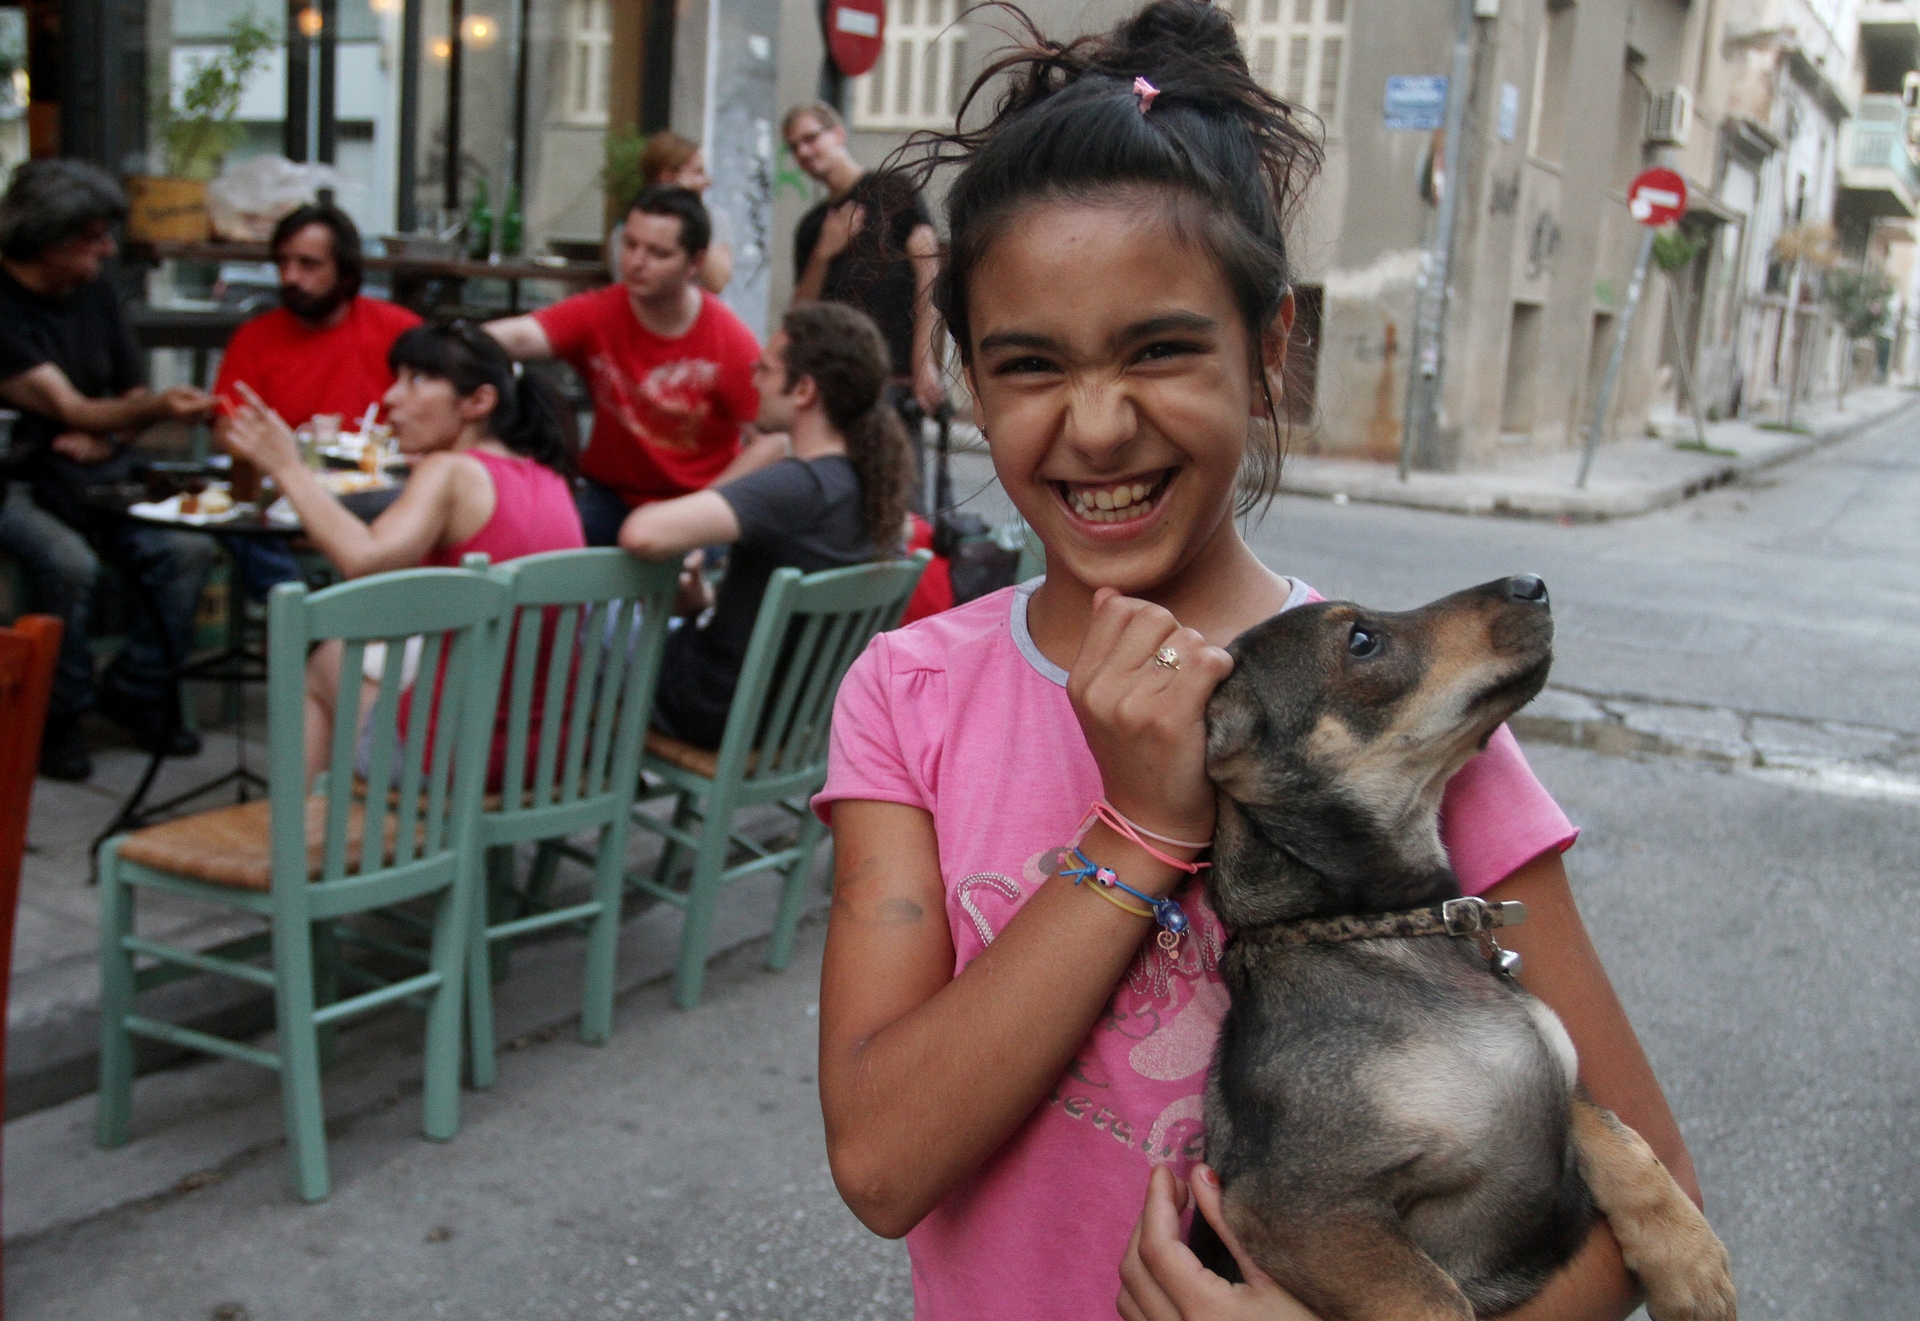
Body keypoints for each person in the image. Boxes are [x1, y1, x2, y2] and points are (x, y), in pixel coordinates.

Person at [811, 5, 1706, 1321]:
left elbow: (1645, 1198)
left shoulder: (1396, 706)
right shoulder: (913, 695)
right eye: (1030, 366)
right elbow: (883, 1162)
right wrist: (1141, 829)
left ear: (1269, 347)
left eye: (1162, 348)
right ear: (966, 382)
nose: (1099, 425)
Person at [222, 319, 584, 778]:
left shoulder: (451, 471)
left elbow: (363, 560)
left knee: (325, 660)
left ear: (478, 401)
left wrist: (287, 466)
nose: (391, 397)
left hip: (453, 761)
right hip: (544, 754)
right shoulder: (549, 476)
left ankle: (301, 840)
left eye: (417, 380)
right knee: (364, 649)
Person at [0, 160, 218, 780]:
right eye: (93, 236)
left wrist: (113, 430)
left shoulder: (93, 291)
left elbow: (124, 395)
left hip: (100, 471)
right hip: (17, 480)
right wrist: (142, 412)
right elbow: (70, 407)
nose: (107, 248)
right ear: (49, 240)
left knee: (186, 549)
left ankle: (138, 688)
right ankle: (56, 714)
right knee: (66, 563)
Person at [620, 300, 913, 749]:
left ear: (804, 391)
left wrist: (754, 463)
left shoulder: (799, 485)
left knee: (582, 621)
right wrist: (706, 603)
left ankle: (576, 777)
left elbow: (641, 532)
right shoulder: (870, 484)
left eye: (766, 368)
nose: (753, 377)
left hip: (713, 709)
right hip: (789, 718)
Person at [486, 185, 783, 546]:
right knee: (536, 536)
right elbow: (519, 336)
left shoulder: (729, 338)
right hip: (608, 495)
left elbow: (772, 441)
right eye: (630, 245)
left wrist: (709, 503)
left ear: (695, 263)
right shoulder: (600, 310)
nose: (636, 262)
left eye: (658, 253)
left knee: (678, 576)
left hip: (691, 501)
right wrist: (437, 341)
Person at [211, 203, 423, 599]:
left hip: (378, 496)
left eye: (308, 265)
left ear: (344, 272)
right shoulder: (254, 338)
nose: (291, 277)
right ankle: (309, 625)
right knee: (236, 521)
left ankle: (320, 627)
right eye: (283, 263)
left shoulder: (399, 330)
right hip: (282, 500)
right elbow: (226, 430)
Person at [784, 101, 947, 426]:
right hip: (835, 385)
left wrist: (925, 362)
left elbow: (929, 271)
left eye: (810, 138)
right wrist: (822, 253)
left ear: (838, 133)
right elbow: (799, 315)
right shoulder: (811, 226)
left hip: (894, 382)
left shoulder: (892, 190)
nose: (803, 151)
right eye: (794, 146)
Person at [637, 130, 733, 294]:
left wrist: (691, 214)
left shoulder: (714, 218)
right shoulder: (636, 223)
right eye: (698, 172)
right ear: (668, 178)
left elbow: (717, 282)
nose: (708, 181)